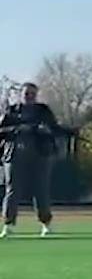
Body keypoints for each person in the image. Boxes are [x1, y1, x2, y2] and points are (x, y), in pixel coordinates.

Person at [0, 82, 63, 238]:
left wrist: (44, 130)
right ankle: (8, 225)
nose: (29, 96)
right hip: (14, 155)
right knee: (12, 190)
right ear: (21, 94)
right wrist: (19, 129)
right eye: (26, 93)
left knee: (41, 190)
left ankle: (46, 224)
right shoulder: (11, 111)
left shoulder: (43, 111)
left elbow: (54, 128)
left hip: (40, 155)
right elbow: (2, 130)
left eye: (32, 94)